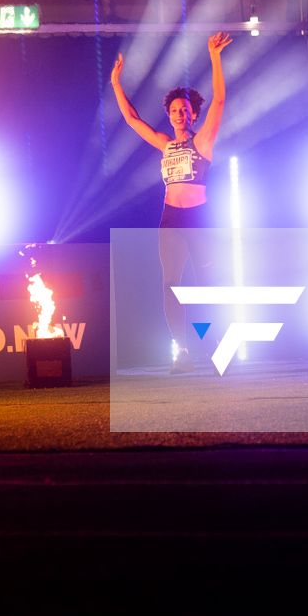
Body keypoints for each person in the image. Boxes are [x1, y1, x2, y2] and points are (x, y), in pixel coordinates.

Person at [110, 33, 231, 370]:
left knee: (206, 287)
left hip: (199, 221)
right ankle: (182, 350)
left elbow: (219, 102)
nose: (180, 114)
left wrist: (214, 57)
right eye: (175, 110)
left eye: (185, 110)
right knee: (171, 286)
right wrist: (116, 83)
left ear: (193, 115)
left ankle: (213, 342)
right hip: (170, 219)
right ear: (170, 114)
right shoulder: (165, 144)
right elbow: (133, 120)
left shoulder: (203, 142)